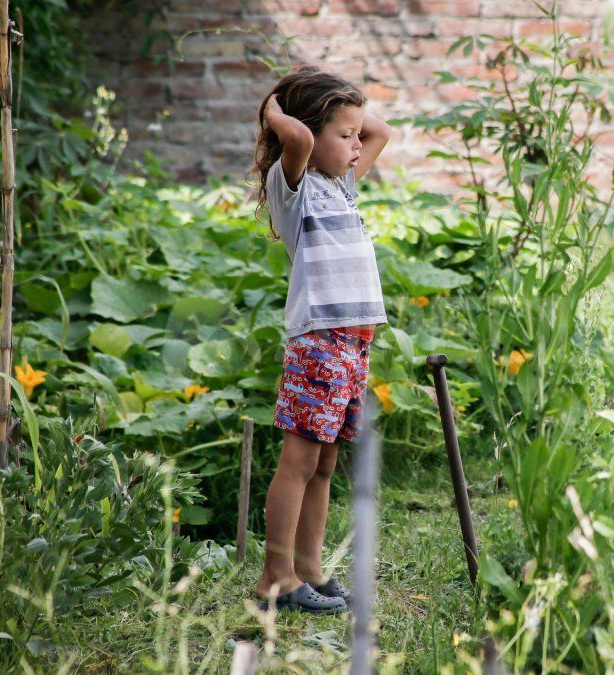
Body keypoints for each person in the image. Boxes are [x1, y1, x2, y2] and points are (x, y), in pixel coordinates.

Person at [250, 64, 392, 614]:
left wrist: (349, 120)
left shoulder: (343, 185)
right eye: (345, 136)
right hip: (320, 341)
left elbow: (381, 132)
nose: (359, 146)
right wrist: (273, 108)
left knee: (325, 463)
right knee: (300, 461)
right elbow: (302, 138)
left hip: (353, 343)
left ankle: (307, 569)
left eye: (357, 136)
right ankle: (275, 578)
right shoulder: (295, 188)